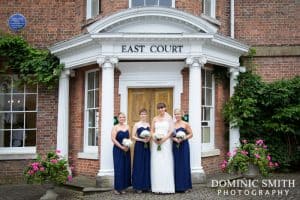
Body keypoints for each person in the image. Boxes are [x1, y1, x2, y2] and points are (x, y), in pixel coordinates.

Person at [150, 102, 175, 193]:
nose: (161, 109)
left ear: (165, 108)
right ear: (158, 109)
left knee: (166, 161)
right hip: (156, 143)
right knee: (156, 162)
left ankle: (167, 187)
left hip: (166, 142)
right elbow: (152, 130)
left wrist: (164, 139)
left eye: (162, 108)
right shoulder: (154, 119)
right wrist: (154, 138)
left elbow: (171, 130)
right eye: (159, 108)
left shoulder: (169, 118)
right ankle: (157, 187)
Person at [172, 108, 193, 192]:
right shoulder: (172, 124)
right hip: (175, 146)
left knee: (184, 164)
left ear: (182, 115)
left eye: (178, 114)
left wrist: (184, 138)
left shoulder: (185, 124)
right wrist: (175, 139)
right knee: (176, 164)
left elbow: (191, 134)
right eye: (176, 114)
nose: (177, 115)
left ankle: (185, 186)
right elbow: (171, 136)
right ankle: (177, 186)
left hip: (184, 146)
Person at [132, 108, 151, 193]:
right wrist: (141, 139)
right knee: (139, 165)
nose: (143, 115)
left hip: (147, 146)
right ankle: (138, 186)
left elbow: (151, 134)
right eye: (142, 114)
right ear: (139, 115)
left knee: (146, 164)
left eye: (145, 114)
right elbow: (133, 136)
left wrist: (148, 138)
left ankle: (146, 186)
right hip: (139, 146)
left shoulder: (148, 124)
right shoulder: (137, 124)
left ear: (146, 115)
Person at [111, 112, 131, 194]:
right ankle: (117, 188)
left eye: (123, 117)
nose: (122, 118)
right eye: (120, 117)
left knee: (126, 168)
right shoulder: (115, 127)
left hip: (126, 149)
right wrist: (121, 147)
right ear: (118, 118)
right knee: (119, 168)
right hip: (118, 150)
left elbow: (129, 137)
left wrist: (127, 146)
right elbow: (113, 139)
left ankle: (123, 188)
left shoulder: (128, 126)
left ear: (125, 118)